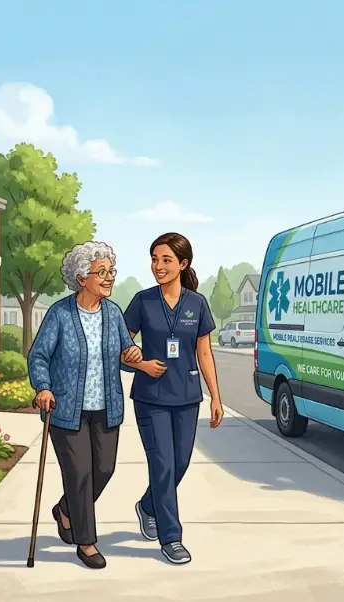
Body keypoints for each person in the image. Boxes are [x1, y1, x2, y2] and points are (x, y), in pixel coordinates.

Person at [27, 241, 142, 569]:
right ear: (81, 277)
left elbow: (125, 354)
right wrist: (44, 387)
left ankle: (65, 510)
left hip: (107, 407)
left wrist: (132, 356)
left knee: (103, 470)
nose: (108, 278)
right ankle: (86, 542)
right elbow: (39, 355)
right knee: (79, 475)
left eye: (111, 272)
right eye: (101, 272)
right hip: (66, 411)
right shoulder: (60, 314)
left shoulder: (113, 313)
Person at [122, 232, 224, 565]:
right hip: (150, 398)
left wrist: (215, 397)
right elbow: (122, 344)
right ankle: (171, 538)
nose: (158, 266)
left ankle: (149, 506)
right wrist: (141, 362)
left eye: (166, 260)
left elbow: (205, 352)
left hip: (186, 396)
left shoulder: (197, 304)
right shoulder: (142, 301)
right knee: (163, 466)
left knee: (179, 464)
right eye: (154, 259)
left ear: (182, 264)